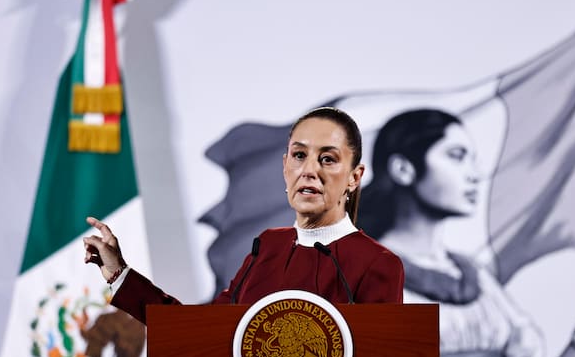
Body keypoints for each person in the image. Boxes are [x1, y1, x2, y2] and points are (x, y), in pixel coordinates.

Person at [358, 109, 575, 357]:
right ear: (403, 169)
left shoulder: (478, 280)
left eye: (473, 158)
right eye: (457, 156)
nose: (475, 174)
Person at [84, 107, 405, 325]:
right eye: (299, 156)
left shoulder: (377, 263)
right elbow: (200, 332)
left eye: (328, 159)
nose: (309, 171)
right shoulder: (267, 249)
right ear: (285, 167)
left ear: (354, 176)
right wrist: (119, 273)